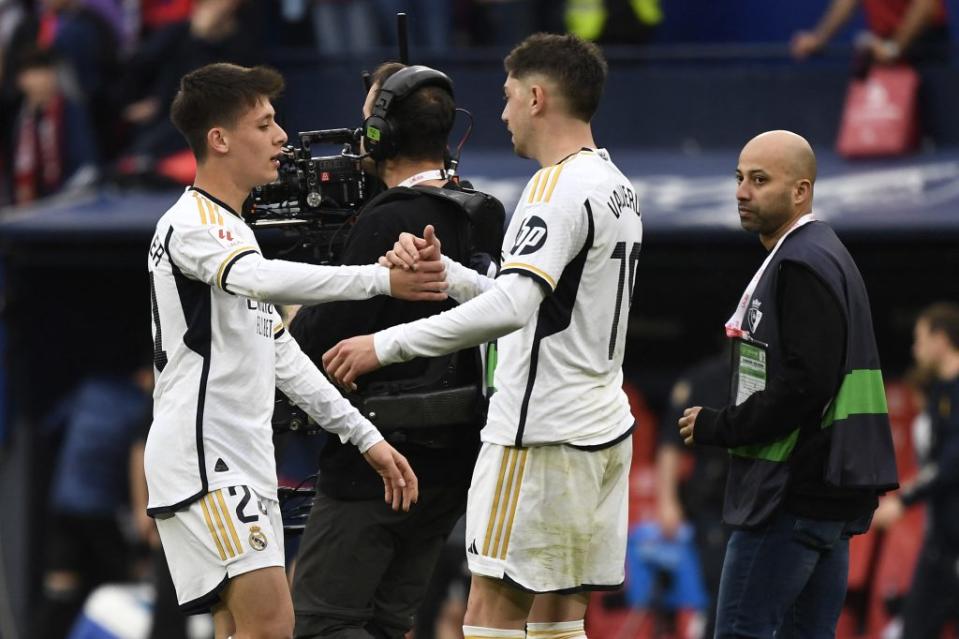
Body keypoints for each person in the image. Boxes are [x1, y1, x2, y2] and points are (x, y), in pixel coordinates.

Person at [323, 32, 643, 639]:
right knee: (558, 620)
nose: (501, 113)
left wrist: (383, 345)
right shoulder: (616, 185)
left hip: (537, 435)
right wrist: (449, 275)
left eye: (507, 96)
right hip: (600, 429)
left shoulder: (554, 187)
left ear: (538, 98)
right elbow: (544, 302)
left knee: (490, 618)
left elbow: (514, 311)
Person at [145, 62, 442, 639]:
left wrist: (367, 438)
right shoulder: (193, 224)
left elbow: (285, 360)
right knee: (274, 626)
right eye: (265, 123)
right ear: (220, 139)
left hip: (236, 459)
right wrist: (381, 280)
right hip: (208, 462)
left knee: (245, 629)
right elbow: (262, 280)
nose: (282, 136)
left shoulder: (234, 230)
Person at [288, 62, 486, 639]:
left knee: (325, 624)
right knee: (387, 625)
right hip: (450, 466)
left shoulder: (394, 219)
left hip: (378, 462)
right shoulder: (478, 209)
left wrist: (292, 309)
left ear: (380, 131)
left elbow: (312, 347)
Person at [676, 130, 898, 638]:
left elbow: (805, 384)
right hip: (824, 494)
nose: (741, 192)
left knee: (740, 632)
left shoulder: (802, 262)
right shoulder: (823, 253)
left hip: (790, 496)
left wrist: (722, 427)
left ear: (800, 191)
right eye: (739, 178)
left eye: (759, 180)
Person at [871, 302, 959, 638]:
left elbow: (952, 461)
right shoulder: (939, 393)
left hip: (952, 537)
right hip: (941, 539)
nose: (915, 348)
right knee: (916, 627)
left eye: (920, 338)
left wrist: (904, 500)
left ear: (941, 339)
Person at [655, 349, 731, 638]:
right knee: (719, 584)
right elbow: (671, 444)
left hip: (757, 499)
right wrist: (667, 501)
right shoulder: (706, 378)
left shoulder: (775, 374)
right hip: (712, 501)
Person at [790, 0, 950, 65]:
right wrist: (819, 38)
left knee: (933, 130)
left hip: (925, 48)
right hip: (881, 48)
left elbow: (926, 5)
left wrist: (894, 47)